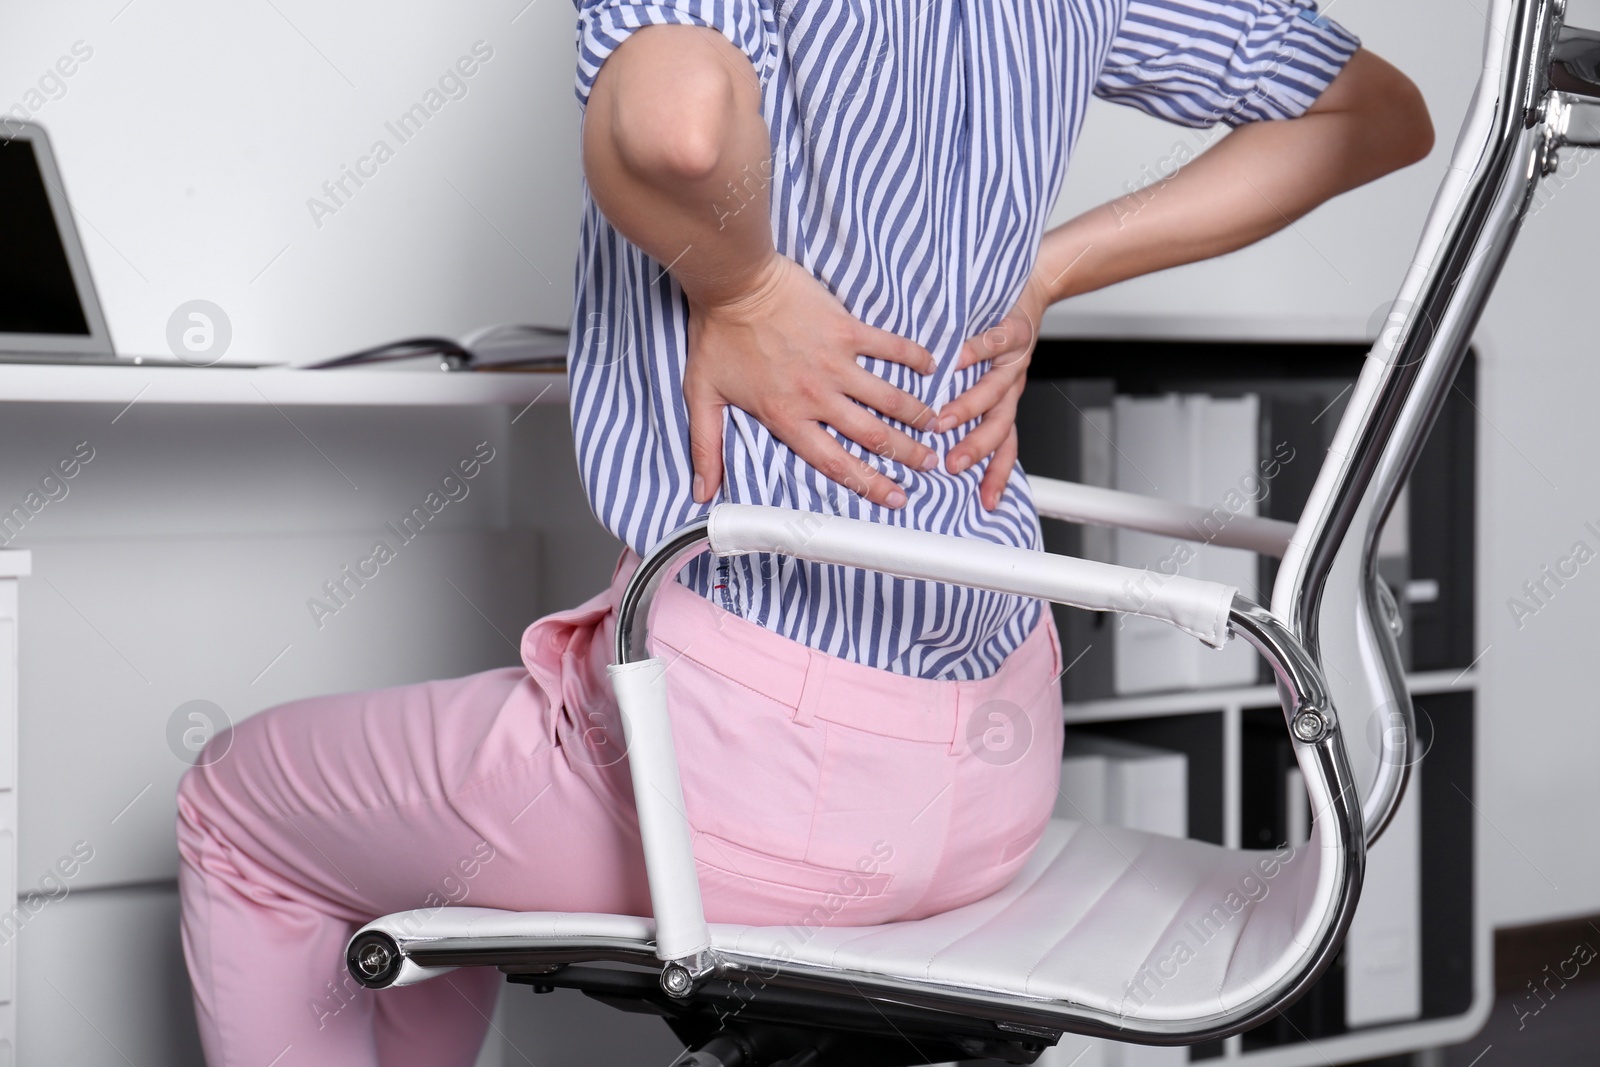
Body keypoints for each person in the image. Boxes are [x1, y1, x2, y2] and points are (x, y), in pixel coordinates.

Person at [175, 1, 1433, 1063]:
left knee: (237, 807)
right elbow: (1375, 113)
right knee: (427, 857)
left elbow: (674, 122)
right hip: (995, 769)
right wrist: (1046, 269)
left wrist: (743, 283)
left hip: (754, 785)